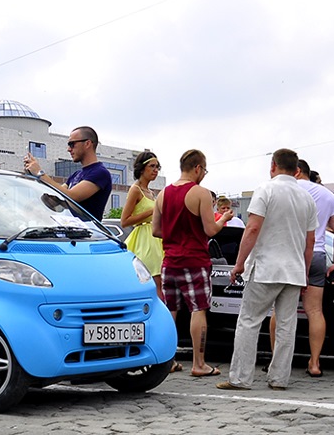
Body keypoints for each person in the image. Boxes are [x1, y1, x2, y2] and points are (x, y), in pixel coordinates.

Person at [216, 149, 317, 391]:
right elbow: (310, 241)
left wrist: (239, 263)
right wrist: (304, 272)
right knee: (286, 325)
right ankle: (279, 378)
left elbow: (252, 229)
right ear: (297, 170)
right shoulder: (307, 198)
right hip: (293, 270)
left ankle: (240, 378)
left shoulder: (266, 189)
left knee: (249, 321)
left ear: (273, 166)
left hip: (266, 268)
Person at [152, 149, 233, 377]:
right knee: (199, 309)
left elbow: (156, 230)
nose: (204, 175)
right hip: (195, 260)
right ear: (197, 168)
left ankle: (168, 361)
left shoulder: (163, 195)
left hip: (169, 261)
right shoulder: (201, 193)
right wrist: (224, 219)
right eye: (204, 170)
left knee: (170, 310)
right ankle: (199, 364)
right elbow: (210, 229)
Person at [268, 159, 334, 377]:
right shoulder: (327, 195)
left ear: (296, 171)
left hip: (287, 254)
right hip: (318, 255)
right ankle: (314, 363)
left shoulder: (282, 190)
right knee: (315, 311)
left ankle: (277, 361)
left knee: (280, 311)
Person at [22, 126, 113, 220]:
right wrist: (33, 177)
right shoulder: (76, 174)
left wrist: (40, 173)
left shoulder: (100, 173)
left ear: (87, 144)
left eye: (72, 144)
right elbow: (55, 199)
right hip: (71, 231)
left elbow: (72, 196)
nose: (69, 149)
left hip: (89, 232)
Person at [121, 151, 165, 301]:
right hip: (144, 239)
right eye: (152, 166)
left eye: (157, 167)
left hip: (155, 238)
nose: (155, 170)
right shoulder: (135, 189)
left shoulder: (151, 192)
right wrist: (151, 211)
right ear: (142, 168)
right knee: (154, 281)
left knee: (159, 282)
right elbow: (125, 220)